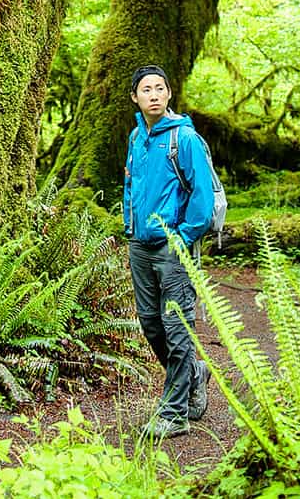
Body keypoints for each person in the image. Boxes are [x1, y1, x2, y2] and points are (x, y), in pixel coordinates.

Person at [123, 64, 214, 437]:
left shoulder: (185, 139)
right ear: (136, 97)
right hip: (140, 246)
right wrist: (130, 224)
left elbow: (203, 199)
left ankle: (174, 413)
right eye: (147, 89)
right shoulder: (136, 138)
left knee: (177, 328)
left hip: (172, 247)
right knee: (150, 323)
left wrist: (182, 236)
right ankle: (195, 373)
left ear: (169, 93)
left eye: (160, 88)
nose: (154, 94)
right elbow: (131, 184)